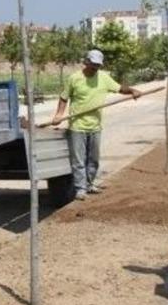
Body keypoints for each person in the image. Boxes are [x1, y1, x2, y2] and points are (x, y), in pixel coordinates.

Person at [51, 49, 141, 200]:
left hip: (95, 126)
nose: (95, 68)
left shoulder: (104, 78)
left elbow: (120, 88)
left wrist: (132, 90)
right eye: (92, 65)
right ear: (86, 62)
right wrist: (59, 115)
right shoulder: (74, 78)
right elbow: (64, 97)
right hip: (77, 126)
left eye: (97, 66)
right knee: (78, 160)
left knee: (93, 159)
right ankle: (80, 188)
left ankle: (89, 184)